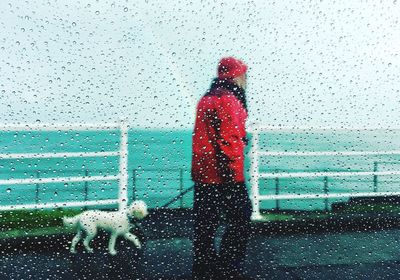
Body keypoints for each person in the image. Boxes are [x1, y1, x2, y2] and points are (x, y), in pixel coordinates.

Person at [191, 57, 253, 280]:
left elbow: (208, 137)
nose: (246, 79)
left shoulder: (207, 98)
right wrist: (234, 178)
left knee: (205, 226)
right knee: (240, 219)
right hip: (225, 176)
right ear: (235, 76)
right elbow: (230, 142)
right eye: (244, 74)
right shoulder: (229, 100)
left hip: (203, 174)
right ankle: (229, 270)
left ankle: (204, 270)